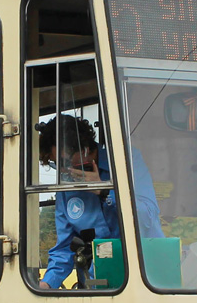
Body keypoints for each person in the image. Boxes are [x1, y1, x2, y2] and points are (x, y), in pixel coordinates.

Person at [37, 116, 163, 290]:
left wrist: (105, 192)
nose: (64, 169)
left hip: (147, 276)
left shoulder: (127, 160)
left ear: (85, 150)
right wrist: (46, 284)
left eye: (65, 162)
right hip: (99, 282)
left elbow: (146, 216)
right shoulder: (67, 189)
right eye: (57, 164)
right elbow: (65, 247)